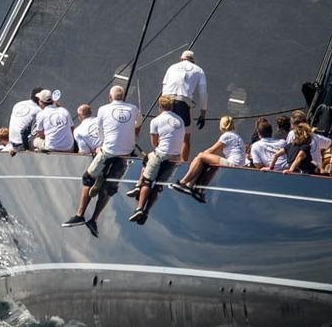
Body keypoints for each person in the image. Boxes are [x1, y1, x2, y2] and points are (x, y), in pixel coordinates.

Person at [63, 85, 141, 237]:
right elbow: (138, 125)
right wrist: (131, 139)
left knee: (87, 178)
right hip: (126, 153)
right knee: (110, 187)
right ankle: (94, 219)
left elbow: (100, 133)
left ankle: (80, 215)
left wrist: (108, 143)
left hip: (108, 151)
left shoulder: (103, 110)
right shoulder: (133, 108)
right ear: (124, 97)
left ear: (110, 97)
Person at [128, 95, 184, 224]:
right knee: (158, 187)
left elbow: (154, 144)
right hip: (176, 157)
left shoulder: (156, 121)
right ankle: (147, 211)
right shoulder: (180, 120)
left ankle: (139, 207)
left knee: (147, 180)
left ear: (160, 107)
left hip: (161, 154)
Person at [172, 116, 246, 195]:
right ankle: (199, 189)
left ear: (221, 125)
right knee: (212, 165)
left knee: (201, 156)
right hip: (238, 166)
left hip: (232, 164)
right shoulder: (237, 136)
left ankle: (183, 182)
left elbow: (211, 150)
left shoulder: (227, 135)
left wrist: (197, 158)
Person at [162, 50, 207, 162]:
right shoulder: (199, 70)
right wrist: (203, 113)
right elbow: (203, 93)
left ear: (180, 59)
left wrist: (161, 109)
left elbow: (164, 87)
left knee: (164, 131)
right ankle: (182, 163)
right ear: (193, 61)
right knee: (185, 137)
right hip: (183, 102)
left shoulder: (172, 67)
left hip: (166, 101)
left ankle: (162, 158)